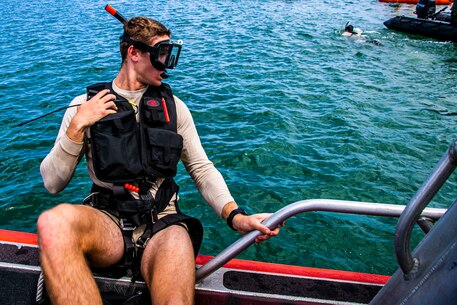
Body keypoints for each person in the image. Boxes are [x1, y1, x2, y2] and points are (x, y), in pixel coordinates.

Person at [37, 8, 281, 305]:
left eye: (171, 54)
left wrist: (236, 216)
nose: (167, 65)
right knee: (53, 223)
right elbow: (52, 183)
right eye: (161, 53)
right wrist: (76, 129)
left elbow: (202, 170)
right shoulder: (84, 107)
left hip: (162, 224)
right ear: (133, 53)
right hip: (107, 221)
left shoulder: (175, 107)